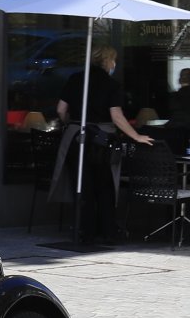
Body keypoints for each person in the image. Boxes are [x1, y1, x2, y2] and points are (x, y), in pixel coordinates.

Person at [55, 44, 154, 245]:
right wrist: (136, 136)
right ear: (108, 61)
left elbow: (60, 110)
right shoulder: (111, 84)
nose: (114, 64)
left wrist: (72, 124)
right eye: (113, 60)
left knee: (82, 186)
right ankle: (107, 231)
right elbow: (116, 116)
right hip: (102, 140)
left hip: (76, 138)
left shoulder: (75, 79)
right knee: (105, 186)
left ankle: (85, 231)